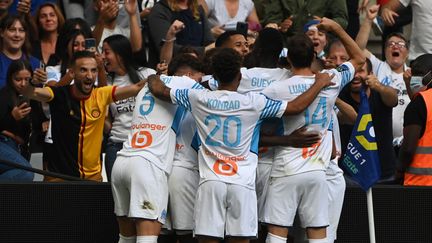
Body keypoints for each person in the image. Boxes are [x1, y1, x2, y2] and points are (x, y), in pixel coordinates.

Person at [148, 47, 334, 243]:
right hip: (242, 185)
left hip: (211, 182)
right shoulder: (254, 102)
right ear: (239, 76)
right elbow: (296, 107)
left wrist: (154, 75)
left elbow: (158, 89)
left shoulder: (197, 97)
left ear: (215, 77)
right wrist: (319, 83)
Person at [260, 17, 365, 243]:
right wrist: (337, 28)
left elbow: (253, 121)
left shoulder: (274, 89)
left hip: (286, 168)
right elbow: (359, 58)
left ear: (288, 59)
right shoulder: (331, 79)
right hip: (317, 170)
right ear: (314, 56)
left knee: (277, 232)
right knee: (318, 233)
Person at [110, 57, 204, 243]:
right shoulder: (187, 83)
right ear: (190, 75)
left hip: (121, 162)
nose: (200, 83)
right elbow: (213, 99)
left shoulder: (145, 87)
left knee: (126, 238)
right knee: (148, 238)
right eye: (199, 78)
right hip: (148, 166)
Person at [21, 50, 146, 181]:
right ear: (72, 73)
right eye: (83, 70)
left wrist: (160, 76)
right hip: (59, 178)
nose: (89, 76)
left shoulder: (102, 95)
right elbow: (29, 92)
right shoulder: (59, 95)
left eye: (93, 70)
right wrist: (33, 82)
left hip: (92, 179)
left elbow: (137, 88)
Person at [103, 34, 156, 181]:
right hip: (116, 145)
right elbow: (105, 118)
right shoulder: (106, 82)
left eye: (106, 52)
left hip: (145, 146)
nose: (102, 57)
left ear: (120, 54)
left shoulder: (147, 73)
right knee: (116, 199)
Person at [356, 4, 410, 150]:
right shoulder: (378, 66)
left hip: (407, 143)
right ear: (385, 51)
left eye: (400, 44)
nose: (395, 47)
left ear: (407, 53)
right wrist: (368, 20)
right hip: (379, 142)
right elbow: (358, 49)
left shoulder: (412, 74)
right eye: (390, 44)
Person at [338, 58, 398, 182]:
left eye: (361, 71)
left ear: (370, 74)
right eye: (353, 71)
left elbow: (393, 99)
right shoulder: (340, 95)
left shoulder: (380, 92)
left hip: (384, 171)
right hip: (352, 172)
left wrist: (379, 87)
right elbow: (347, 119)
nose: (356, 76)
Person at [397, 54, 432, 186]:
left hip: (421, 183)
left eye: (420, 73)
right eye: (414, 73)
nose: (415, 78)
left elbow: (408, 149)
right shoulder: (420, 103)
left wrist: (399, 171)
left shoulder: (420, 103)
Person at [147, 0, 214, 67]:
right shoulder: (160, 10)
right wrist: (203, 51)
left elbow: (209, 41)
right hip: (173, 69)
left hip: (200, 66)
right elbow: (167, 49)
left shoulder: (197, 8)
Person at [0, 59, 34, 181]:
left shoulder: (34, 96)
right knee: (27, 172)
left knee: (23, 176)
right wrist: (12, 118)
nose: (23, 84)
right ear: (10, 78)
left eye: (27, 79)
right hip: (4, 142)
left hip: (19, 148)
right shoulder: (4, 94)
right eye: (18, 79)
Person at [0, 15, 43, 89]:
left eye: (21, 30)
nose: (17, 35)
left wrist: (35, 84)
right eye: (12, 30)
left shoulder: (36, 63)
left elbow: (41, 97)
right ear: (1, 32)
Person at [262, 0, 348, 36]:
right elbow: (271, 19)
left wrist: (325, 24)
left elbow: (342, 21)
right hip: (288, 44)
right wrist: (281, 26)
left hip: (322, 45)